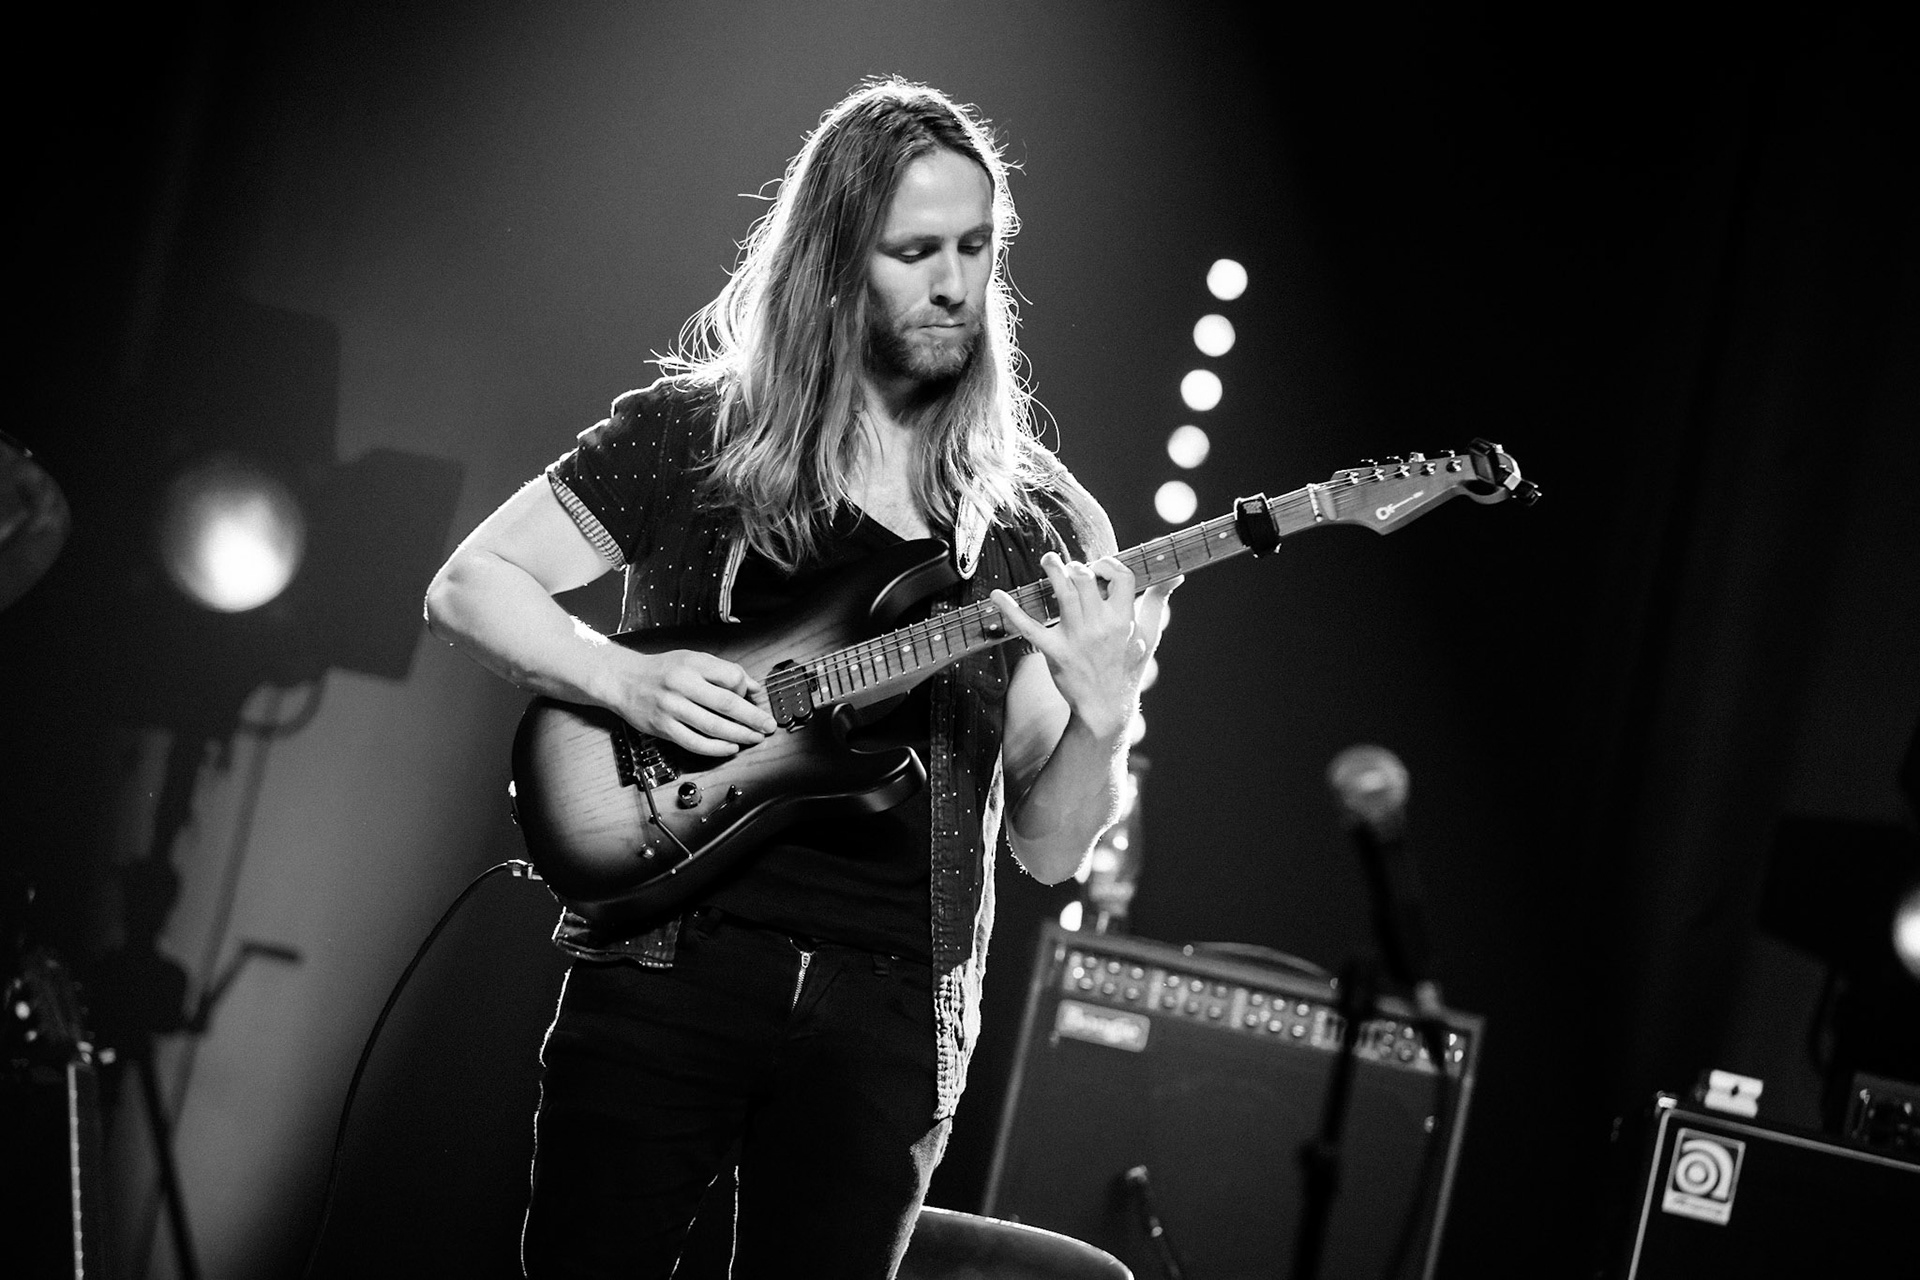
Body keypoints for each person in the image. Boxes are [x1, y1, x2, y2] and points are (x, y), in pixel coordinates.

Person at [424, 77, 1178, 1279]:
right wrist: (625, 681)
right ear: (836, 260)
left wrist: (1105, 715)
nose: (954, 284)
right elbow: (472, 583)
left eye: (978, 248)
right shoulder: (700, 432)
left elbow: (1048, 846)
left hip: (890, 1014)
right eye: (915, 251)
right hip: (672, 959)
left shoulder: (1034, 519)